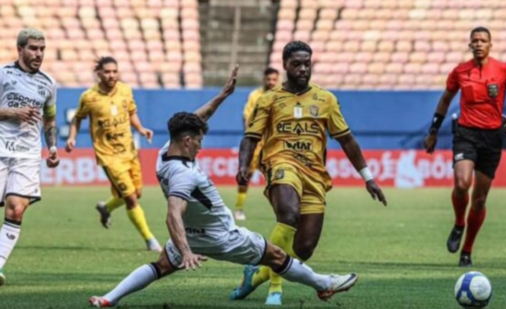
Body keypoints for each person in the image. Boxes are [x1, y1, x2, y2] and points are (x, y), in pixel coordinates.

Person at [88, 66, 358, 308]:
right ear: (186, 140)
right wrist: (185, 253)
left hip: (194, 235)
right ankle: (324, 284)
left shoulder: (164, 153)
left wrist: (222, 95)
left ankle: (109, 298)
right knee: (276, 256)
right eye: (198, 141)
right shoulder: (183, 175)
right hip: (222, 236)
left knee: (159, 266)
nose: (201, 145)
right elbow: (173, 213)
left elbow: (195, 119)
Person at [231, 41, 387, 305]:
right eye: (297, 64)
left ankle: (256, 277)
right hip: (281, 163)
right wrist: (243, 165)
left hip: (315, 174)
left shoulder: (326, 99)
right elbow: (250, 137)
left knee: (304, 248)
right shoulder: (268, 99)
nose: (303, 69)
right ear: (285, 66)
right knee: (288, 214)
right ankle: (275, 290)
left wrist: (368, 177)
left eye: (307, 63)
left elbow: (347, 140)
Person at [424, 27, 506, 267]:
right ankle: (459, 222)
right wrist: (432, 131)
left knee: (480, 199)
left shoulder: (504, 70)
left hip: (492, 138)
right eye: (475, 40)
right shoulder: (460, 72)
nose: (479, 43)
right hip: (466, 133)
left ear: (490, 45)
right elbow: (445, 100)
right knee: (462, 183)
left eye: (483, 40)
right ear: (470, 45)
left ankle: (467, 251)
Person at [65, 57, 161, 252]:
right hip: (108, 156)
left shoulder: (125, 90)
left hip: (129, 151)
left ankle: (106, 207)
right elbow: (77, 119)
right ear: (99, 73)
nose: (111, 75)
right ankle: (150, 240)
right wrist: (72, 138)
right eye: (107, 72)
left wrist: (141, 128)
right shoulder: (89, 97)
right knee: (131, 199)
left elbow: (131, 112)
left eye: (114, 71)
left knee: (137, 193)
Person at [0, 28, 60, 286]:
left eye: (42, 49)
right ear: (20, 49)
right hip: (0, 148)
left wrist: (53, 147)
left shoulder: (49, 83)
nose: (38, 54)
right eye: (33, 48)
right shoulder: (3, 74)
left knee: (16, 209)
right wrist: (12, 113)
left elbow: (50, 119)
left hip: (27, 154)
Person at [234, 67, 279, 221]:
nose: (271, 82)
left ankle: (281, 209)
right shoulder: (255, 96)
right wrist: (251, 138)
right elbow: (247, 117)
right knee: (245, 175)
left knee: (278, 178)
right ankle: (239, 209)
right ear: (264, 80)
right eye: (269, 79)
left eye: (274, 79)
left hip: (273, 145)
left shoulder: (282, 95)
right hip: (256, 143)